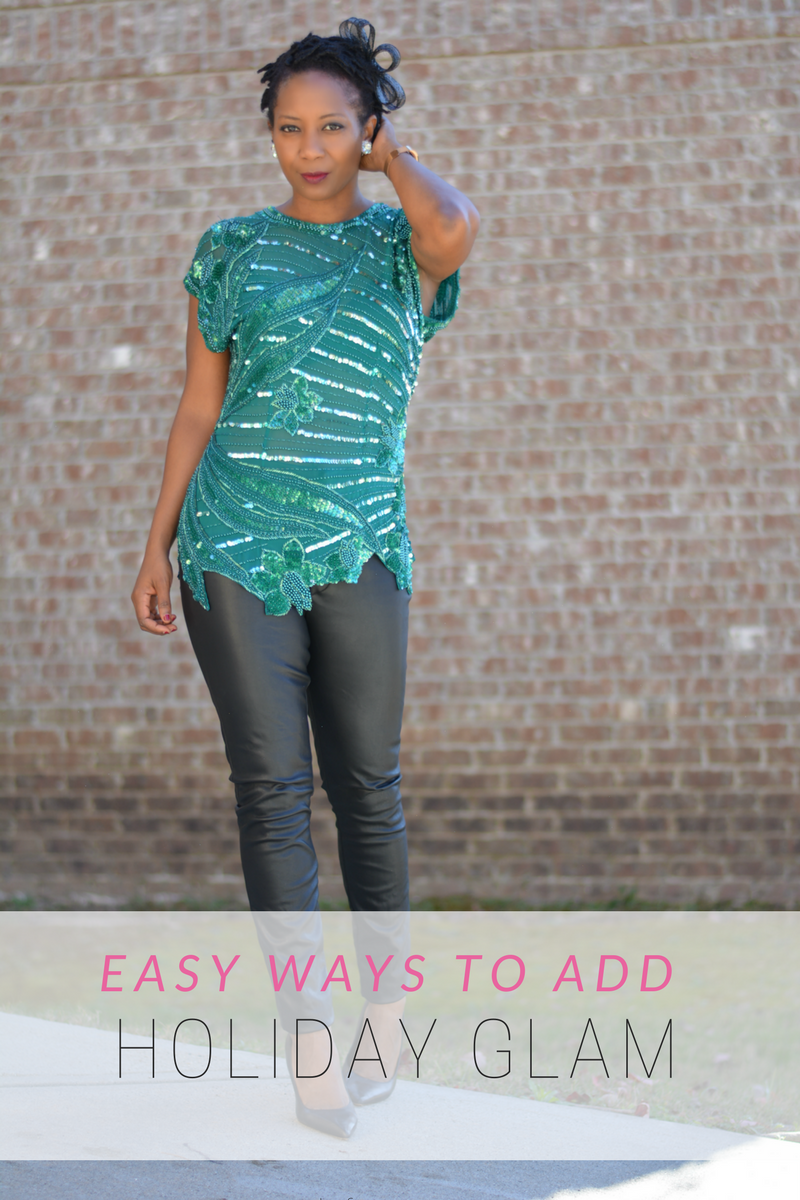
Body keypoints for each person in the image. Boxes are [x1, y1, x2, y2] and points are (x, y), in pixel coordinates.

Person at [131, 18, 479, 1137]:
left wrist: (395, 157)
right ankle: (311, 1049)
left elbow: (456, 227)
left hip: (362, 542)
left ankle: (385, 1016)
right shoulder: (231, 247)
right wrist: (155, 542)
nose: (311, 148)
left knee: (367, 784)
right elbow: (199, 405)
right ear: (270, 136)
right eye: (291, 128)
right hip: (231, 542)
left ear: (369, 131)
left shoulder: (401, 245)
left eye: (334, 127)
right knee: (271, 792)